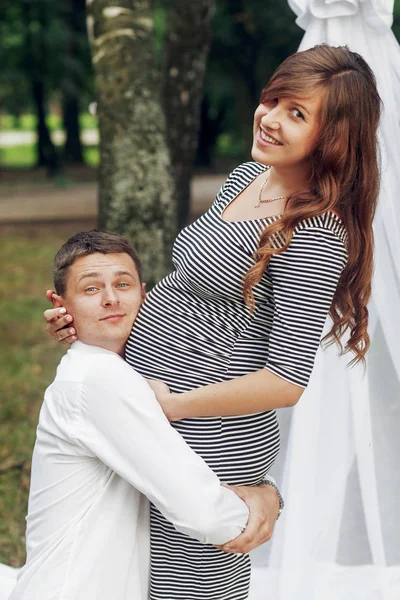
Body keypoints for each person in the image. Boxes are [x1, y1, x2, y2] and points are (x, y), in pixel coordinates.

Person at [45, 44, 381, 600]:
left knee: (188, 590)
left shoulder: (316, 232)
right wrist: (93, 326)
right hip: (146, 405)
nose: (269, 118)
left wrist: (167, 404)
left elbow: (287, 381)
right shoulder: (249, 175)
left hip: (207, 435)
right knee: (118, 569)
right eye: (273, 100)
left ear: (335, 137)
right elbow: (194, 297)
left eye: (296, 114)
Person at [13, 231, 280, 600]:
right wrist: (267, 500)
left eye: (122, 284)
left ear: (145, 294)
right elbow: (207, 515)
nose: (110, 299)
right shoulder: (98, 378)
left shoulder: (124, 367)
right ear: (61, 304)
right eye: (91, 289)